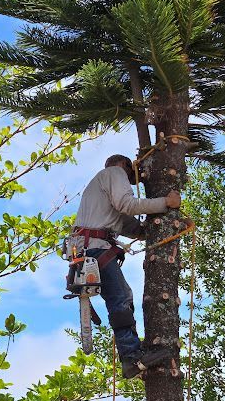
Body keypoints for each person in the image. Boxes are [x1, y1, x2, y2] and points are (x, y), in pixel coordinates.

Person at [72, 154, 181, 378]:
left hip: (89, 249)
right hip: (95, 248)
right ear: (125, 166)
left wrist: (148, 230)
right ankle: (131, 356)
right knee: (120, 298)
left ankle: (131, 354)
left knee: (122, 296)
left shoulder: (102, 187)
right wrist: (165, 203)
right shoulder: (114, 173)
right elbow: (128, 205)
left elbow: (124, 223)